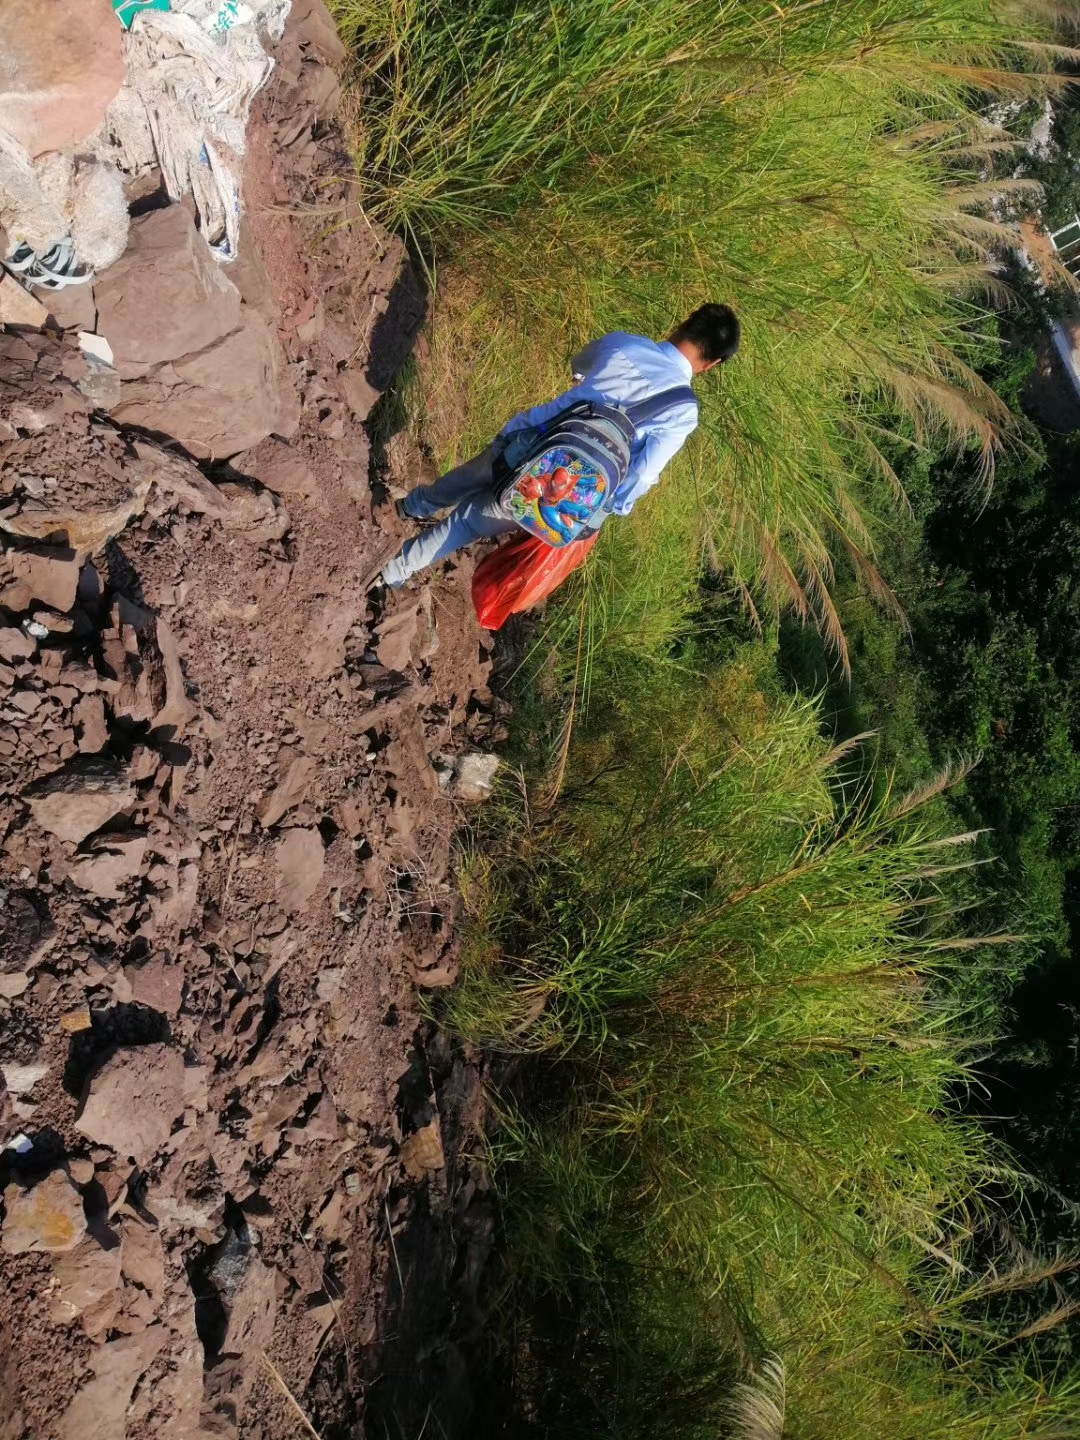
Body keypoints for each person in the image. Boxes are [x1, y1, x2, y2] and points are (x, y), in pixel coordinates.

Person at [379, 303, 741, 589]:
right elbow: (644, 472)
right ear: (712, 364)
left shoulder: (624, 343)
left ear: (684, 323)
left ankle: (407, 507)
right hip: (553, 489)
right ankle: (392, 572)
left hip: (528, 437)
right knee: (464, 525)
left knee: (464, 478)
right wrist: (614, 504)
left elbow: (579, 364)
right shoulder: (683, 411)